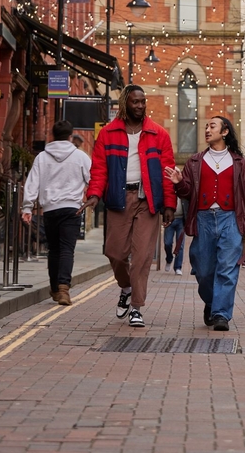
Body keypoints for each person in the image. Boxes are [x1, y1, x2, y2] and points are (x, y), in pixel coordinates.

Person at [79, 84, 175, 328]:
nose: (140, 106)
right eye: (135, 102)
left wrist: (169, 205)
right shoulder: (109, 133)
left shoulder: (158, 134)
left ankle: (136, 307)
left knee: (142, 256)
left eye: (143, 102)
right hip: (119, 199)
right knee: (115, 253)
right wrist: (94, 195)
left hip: (148, 200)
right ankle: (125, 287)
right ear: (125, 103)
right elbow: (99, 169)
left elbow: (167, 172)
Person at [164, 116, 245, 332]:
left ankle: (221, 314)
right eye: (206, 126)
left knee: (227, 268)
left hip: (231, 218)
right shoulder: (194, 162)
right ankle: (212, 303)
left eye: (212, 126)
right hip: (203, 218)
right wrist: (179, 183)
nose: (207, 129)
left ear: (224, 132)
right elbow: (187, 194)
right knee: (203, 270)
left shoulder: (240, 164)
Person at [21, 120, 91, 306]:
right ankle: (63, 288)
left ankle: (54, 287)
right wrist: (90, 197)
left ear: (53, 136)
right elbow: (93, 179)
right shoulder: (81, 157)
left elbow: (32, 183)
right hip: (72, 209)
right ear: (70, 136)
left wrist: (27, 207)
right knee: (67, 249)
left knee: (54, 250)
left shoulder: (42, 157)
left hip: (50, 210)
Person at [164, 198, 187, 274]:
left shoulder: (182, 188)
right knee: (167, 242)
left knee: (180, 245)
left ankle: (178, 267)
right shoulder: (169, 188)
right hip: (169, 218)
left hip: (181, 220)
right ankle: (169, 258)